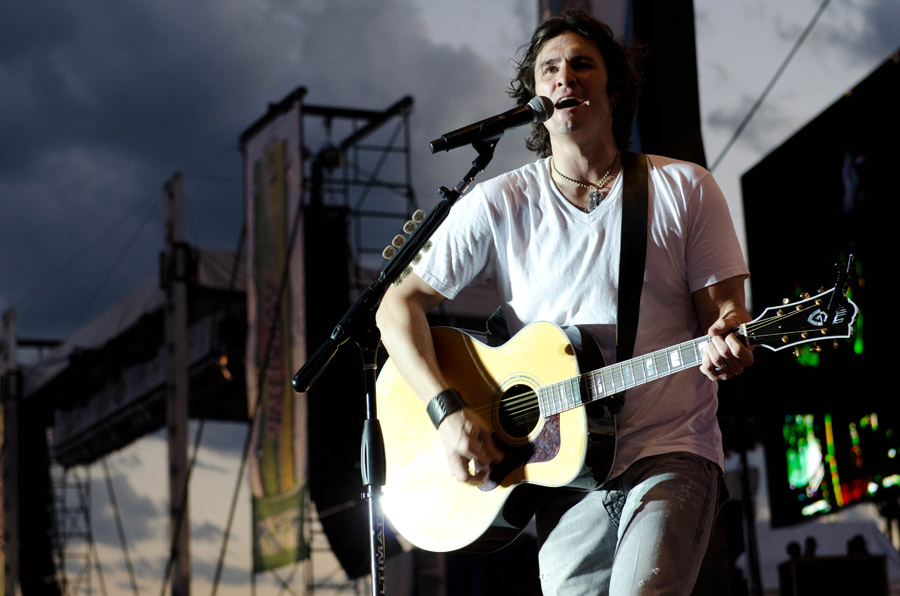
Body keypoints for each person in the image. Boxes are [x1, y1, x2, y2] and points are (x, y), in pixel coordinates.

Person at [376, 9, 754, 596]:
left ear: (615, 87)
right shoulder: (499, 203)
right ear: (533, 97)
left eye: (582, 64)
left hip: (670, 451)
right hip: (566, 474)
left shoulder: (684, 188)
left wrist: (729, 340)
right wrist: (447, 412)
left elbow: (727, 315)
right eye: (549, 69)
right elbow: (395, 308)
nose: (565, 77)